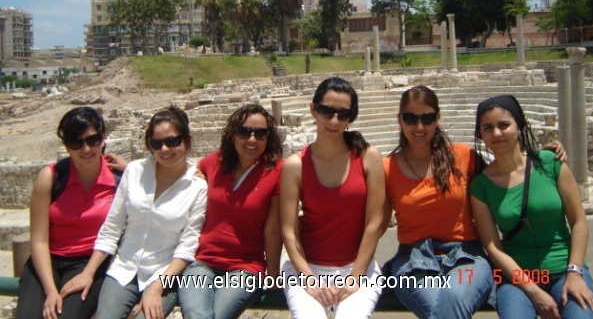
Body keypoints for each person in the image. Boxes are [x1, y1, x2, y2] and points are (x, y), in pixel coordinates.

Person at [61, 105, 207, 319]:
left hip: (164, 274)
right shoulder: (135, 171)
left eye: (173, 141)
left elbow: (187, 248)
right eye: (157, 144)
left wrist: (157, 289)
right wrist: (88, 273)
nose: (165, 149)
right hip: (123, 268)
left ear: (187, 139)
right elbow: (112, 227)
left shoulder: (197, 187)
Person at [469, 95, 593, 319]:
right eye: (488, 128)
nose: (496, 133)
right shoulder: (480, 185)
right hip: (517, 277)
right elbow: (493, 246)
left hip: (565, 268)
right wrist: (531, 289)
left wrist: (575, 273)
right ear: (481, 134)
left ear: (519, 125)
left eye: (503, 125)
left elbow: (578, 221)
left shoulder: (550, 163)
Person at [383, 85, 494, 319]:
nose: (419, 126)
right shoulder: (386, 168)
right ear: (399, 120)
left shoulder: (464, 157)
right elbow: (375, 222)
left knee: (453, 297)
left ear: (438, 118)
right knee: (443, 306)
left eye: (427, 118)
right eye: (411, 118)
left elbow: (505, 176)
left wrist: (540, 157)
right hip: (413, 263)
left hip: (467, 259)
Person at [281, 76, 386, 319]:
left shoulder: (369, 157)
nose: (334, 121)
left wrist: (355, 277)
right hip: (305, 268)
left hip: (359, 266)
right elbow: (288, 230)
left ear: (351, 117)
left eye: (343, 114)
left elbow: (374, 223)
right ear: (313, 109)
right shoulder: (295, 165)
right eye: (326, 111)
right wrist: (309, 280)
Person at [178, 104, 284, 319]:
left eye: (260, 133)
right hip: (202, 262)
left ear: (268, 137)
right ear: (233, 133)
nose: (252, 140)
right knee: (196, 313)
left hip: (245, 267)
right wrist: (130, 168)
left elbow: (273, 230)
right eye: (244, 132)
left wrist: (273, 274)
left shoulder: (276, 171)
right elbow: (182, 167)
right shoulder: (215, 162)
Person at [16, 107, 117, 319]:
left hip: (90, 262)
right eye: (76, 142)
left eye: (93, 139)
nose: (86, 149)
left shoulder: (119, 180)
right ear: (66, 146)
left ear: (103, 138)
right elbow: (39, 240)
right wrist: (51, 290)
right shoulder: (51, 177)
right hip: (47, 261)